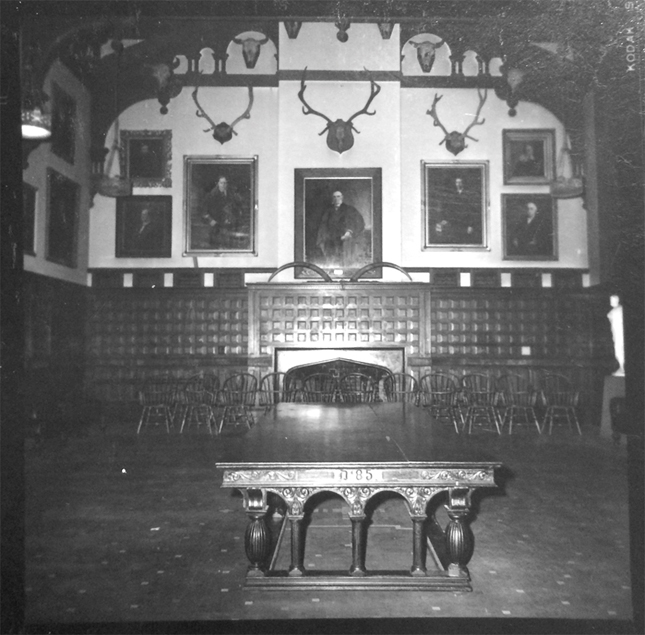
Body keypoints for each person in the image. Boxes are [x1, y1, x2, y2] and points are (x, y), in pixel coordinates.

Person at [315, 190, 365, 267]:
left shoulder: (349, 209)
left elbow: (360, 222)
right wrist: (323, 236)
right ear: (332, 198)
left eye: (338, 196)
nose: (336, 199)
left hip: (345, 239)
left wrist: (349, 232)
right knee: (331, 261)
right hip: (330, 240)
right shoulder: (328, 210)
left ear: (342, 197)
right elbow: (323, 225)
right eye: (334, 197)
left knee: (344, 261)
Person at [432, 176, 481, 245]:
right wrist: (445, 219)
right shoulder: (453, 194)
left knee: (465, 241)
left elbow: (472, 211)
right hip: (454, 223)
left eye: (460, 182)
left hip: (465, 223)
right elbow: (450, 208)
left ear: (463, 183)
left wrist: (471, 225)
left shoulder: (469, 194)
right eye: (456, 182)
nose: (458, 184)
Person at [202, 176, 243, 247]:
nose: (223, 185)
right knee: (215, 245)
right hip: (215, 224)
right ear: (218, 183)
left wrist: (232, 218)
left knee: (229, 246)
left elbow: (236, 208)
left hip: (229, 225)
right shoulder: (211, 195)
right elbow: (204, 211)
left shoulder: (231, 195)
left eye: (225, 183)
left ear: (227, 184)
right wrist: (211, 220)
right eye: (221, 183)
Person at [607, 295, 625, 376]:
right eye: (610, 300)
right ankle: (622, 367)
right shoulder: (613, 311)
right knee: (618, 351)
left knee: (621, 350)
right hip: (616, 333)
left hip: (620, 334)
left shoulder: (621, 310)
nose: (611, 302)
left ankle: (623, 368)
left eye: (613, 300)